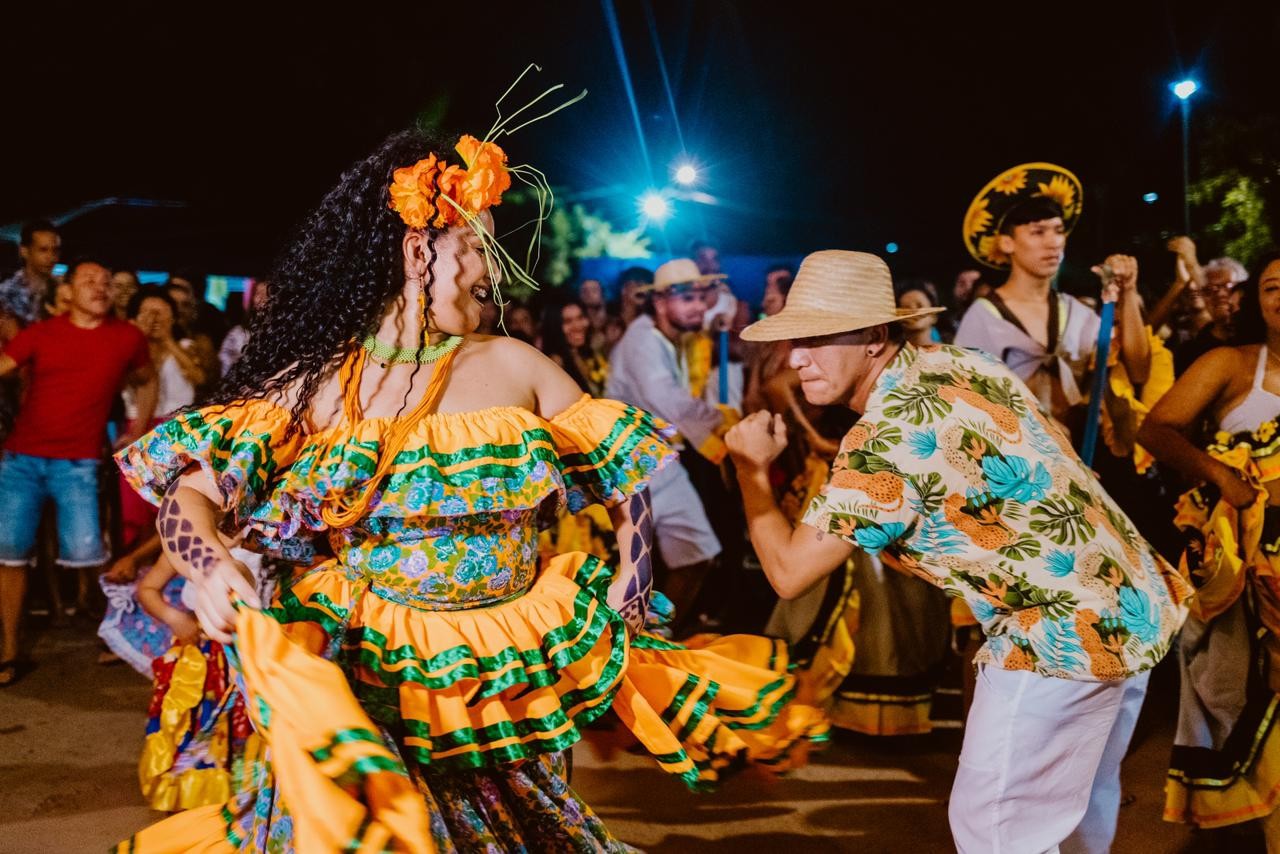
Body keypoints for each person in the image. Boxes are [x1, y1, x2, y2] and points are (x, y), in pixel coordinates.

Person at [114, 125, 824, 850]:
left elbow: (624, 476)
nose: (495, 269)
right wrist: (210, 568)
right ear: (418, 253)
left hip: (509, 669)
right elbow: (189, 495)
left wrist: (633, 578)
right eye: (478, 246)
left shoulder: (518, 365)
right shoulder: (320, 385)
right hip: (375, 666)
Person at [727, 250, 1190, 853]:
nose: (795, 357)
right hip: (1130, 600)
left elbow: (790, 574)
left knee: (995, 830)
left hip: (1058, 634)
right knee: (1076, 812)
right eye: (795, 340)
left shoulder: (885, 438)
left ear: (874, 337)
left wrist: (750, 472)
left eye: (817, 338)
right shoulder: (960, 361)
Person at [1137, 250, 1280, 841]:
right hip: (1241, 561)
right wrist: (1223, 477)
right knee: (1234, 687)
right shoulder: (1230, 362)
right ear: (1256, 301)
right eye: (1272, 287)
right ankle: (1249, 820)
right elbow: (1156, 429)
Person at [0, 257, 157, 685]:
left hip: (78, 463)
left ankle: (117, 634)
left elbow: (147, 379)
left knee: (89, 553)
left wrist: (138, 429)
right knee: (9, 553)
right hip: (21, 460)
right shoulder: (42, 333)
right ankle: (9, 650)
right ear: (67, 291)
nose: (100, 286)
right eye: (89, 280)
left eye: (106, 281)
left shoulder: (127, 337)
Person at [955, 163, 1150, 439]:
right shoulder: (984, 316)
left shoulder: (1075, 313)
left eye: (1058, 230)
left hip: (1077, 456)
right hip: (1014, 457)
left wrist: (1128, 292)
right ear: (1007, 243)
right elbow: (965, 404)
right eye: (1038, 232)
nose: (1054, 242)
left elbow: (1139, 372)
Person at [606, 258, 734, 632]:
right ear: (661, 303)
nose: (699, 306)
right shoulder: (642, 339)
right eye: (688, 298)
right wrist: (722, 420)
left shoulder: (670, 339)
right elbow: (668, 401)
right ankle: (633, 642)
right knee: (633, 569)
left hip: (661, 464)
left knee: (697, 555)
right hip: (631, 468)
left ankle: (660, 635)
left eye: (701, 297)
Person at [1173, 253, 1249, 375]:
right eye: (1210, 289)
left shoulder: (1261, 339)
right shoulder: (1189, 352)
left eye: (1228, 286)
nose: (1220, 294)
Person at [540, 298, 608, 397]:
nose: (577, 326)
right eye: (568, 321)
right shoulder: (556, 364)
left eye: (580, 317)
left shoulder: (587, 353)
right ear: (555, 327)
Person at [218, 279, 269, 374]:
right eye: (258, 293)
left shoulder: (281, 332)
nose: (262, 299)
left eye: (268, 294)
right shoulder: (238, 333)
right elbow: (225, 362)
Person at [895, 278, 943, 346]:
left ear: (934, 316)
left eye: (920, 306)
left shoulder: (950, 352)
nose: (914, 311)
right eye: (906, 308)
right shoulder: (891, 352)